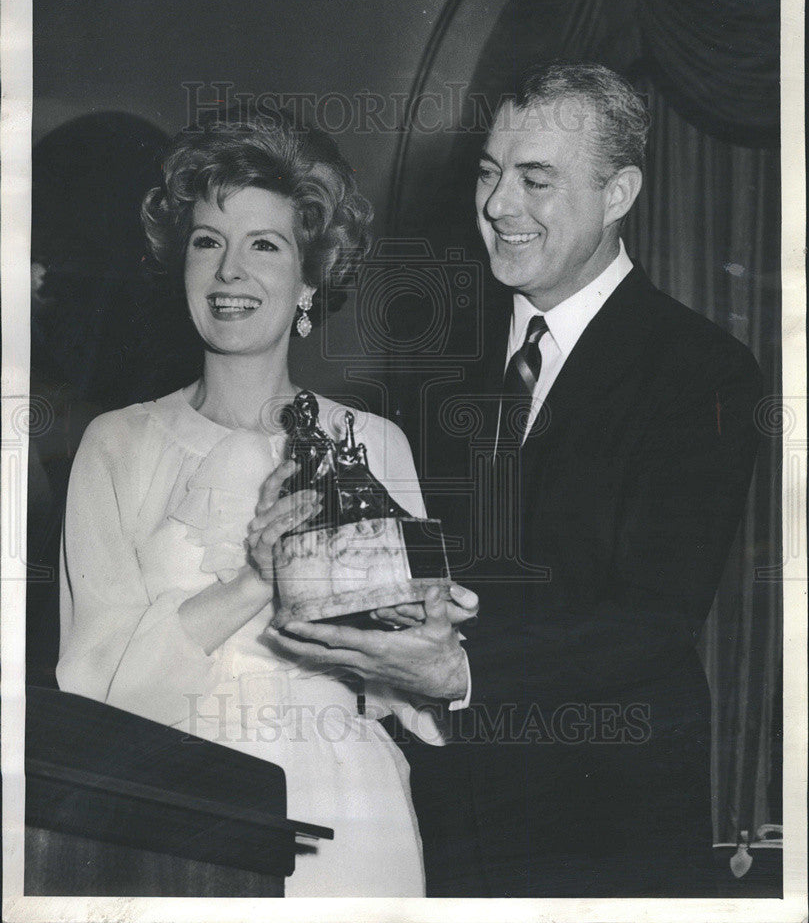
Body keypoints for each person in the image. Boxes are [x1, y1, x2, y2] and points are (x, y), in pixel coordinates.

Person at [274, 63, 764, 897]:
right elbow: (426, 568)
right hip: (444, 822)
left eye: (535, 179)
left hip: (609, 830)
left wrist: (463, 672)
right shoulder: (440, 365)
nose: (499, 205)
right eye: (490, 172)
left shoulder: (700, 372)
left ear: (618, 193)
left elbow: (654, 617)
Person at [56, 110, 474, 897]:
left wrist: (435, 649)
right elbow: (91, 695)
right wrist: (252, 579)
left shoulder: (375, 443)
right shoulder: (116, 445)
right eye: (208, 241)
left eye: (264, 245)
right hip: (172, 806)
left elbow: (405, 687)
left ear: (310, 278)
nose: (229, 272)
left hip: (351, 813)